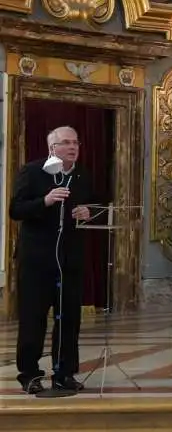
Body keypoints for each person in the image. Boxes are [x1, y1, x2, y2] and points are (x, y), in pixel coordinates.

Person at [9, 126, 93, 394]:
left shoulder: (82, 176)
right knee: (33, 319)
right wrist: (45, 201)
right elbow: (16, 209)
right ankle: (30, 375)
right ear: (52, 148)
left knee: (68, 320)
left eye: (76, 142)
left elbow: (97, 204)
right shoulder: (33, 171)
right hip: (36, 261)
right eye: (66, 143)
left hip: (69, 260)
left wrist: (87, 211)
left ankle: (64, 373)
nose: (73, 147)